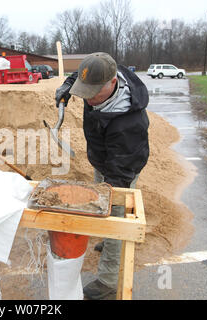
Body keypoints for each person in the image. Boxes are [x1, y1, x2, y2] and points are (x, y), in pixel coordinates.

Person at [55, 52, 149, 299]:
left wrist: (109, 193)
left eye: (93, 92)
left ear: (112, 83)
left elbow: (118, 175)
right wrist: (67, 88)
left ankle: (108, 281)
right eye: (85, 91)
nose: (88, 98)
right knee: (103, 205)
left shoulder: (130, 123)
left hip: (123, 166)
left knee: (114, 216)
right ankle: (108, 242)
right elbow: (81, 75)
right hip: (102, 155)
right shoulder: (100, 74)